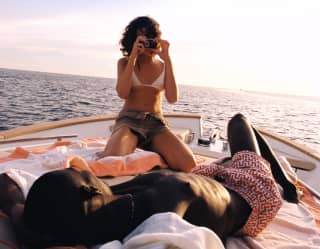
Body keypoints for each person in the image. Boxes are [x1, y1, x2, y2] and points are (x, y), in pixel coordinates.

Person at [0, 113, 297, 248]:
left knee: (216, 163)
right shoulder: (165, 215)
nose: (84, 168)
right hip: (251, 193)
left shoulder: (104, 204)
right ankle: (284, 183)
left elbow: (7, 185)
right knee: (239, 121)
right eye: (78, 170)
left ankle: (228, 164)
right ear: (88, 189)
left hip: (209, 181)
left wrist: (23, 221)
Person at [102, 16, 196, 172]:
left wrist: (167, 58)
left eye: (152, 36)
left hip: (156, 123)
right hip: (129, 120)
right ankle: (132, 142)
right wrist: (132, 57)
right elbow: (123, 93)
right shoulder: (124, 63)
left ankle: (150, 148)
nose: (148, 41)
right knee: (111, 161)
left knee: (189, 165)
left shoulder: (164, 65)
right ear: (134, 40)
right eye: (143, 37)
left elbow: (172, 98)